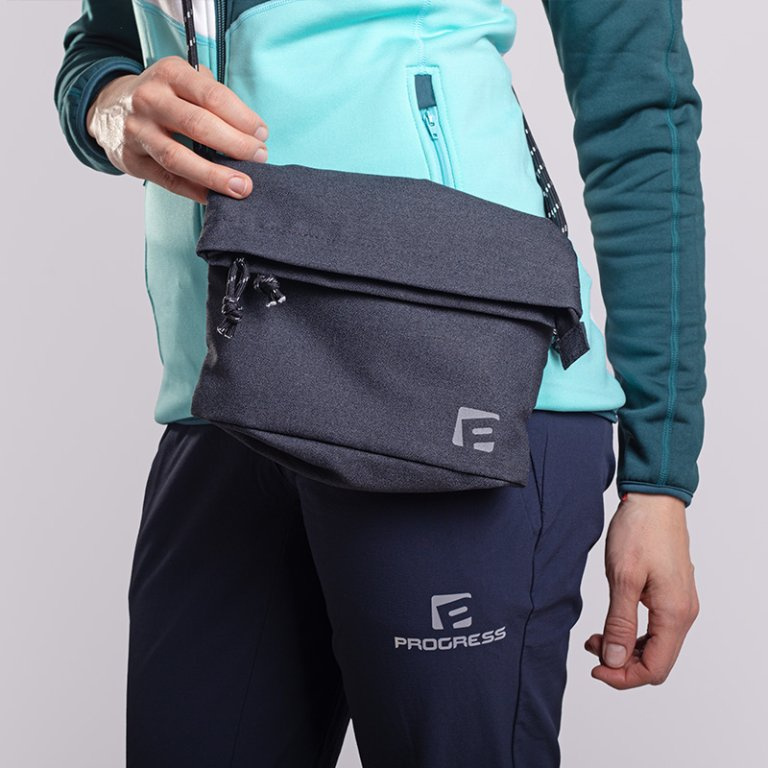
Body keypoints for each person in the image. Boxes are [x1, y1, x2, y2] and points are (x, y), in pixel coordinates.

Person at [54, 1, 705, 766]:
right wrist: (111, 105)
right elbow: (103, 45)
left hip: (457, 384)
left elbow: (638, 108)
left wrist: (659, 478)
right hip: (224, 393)